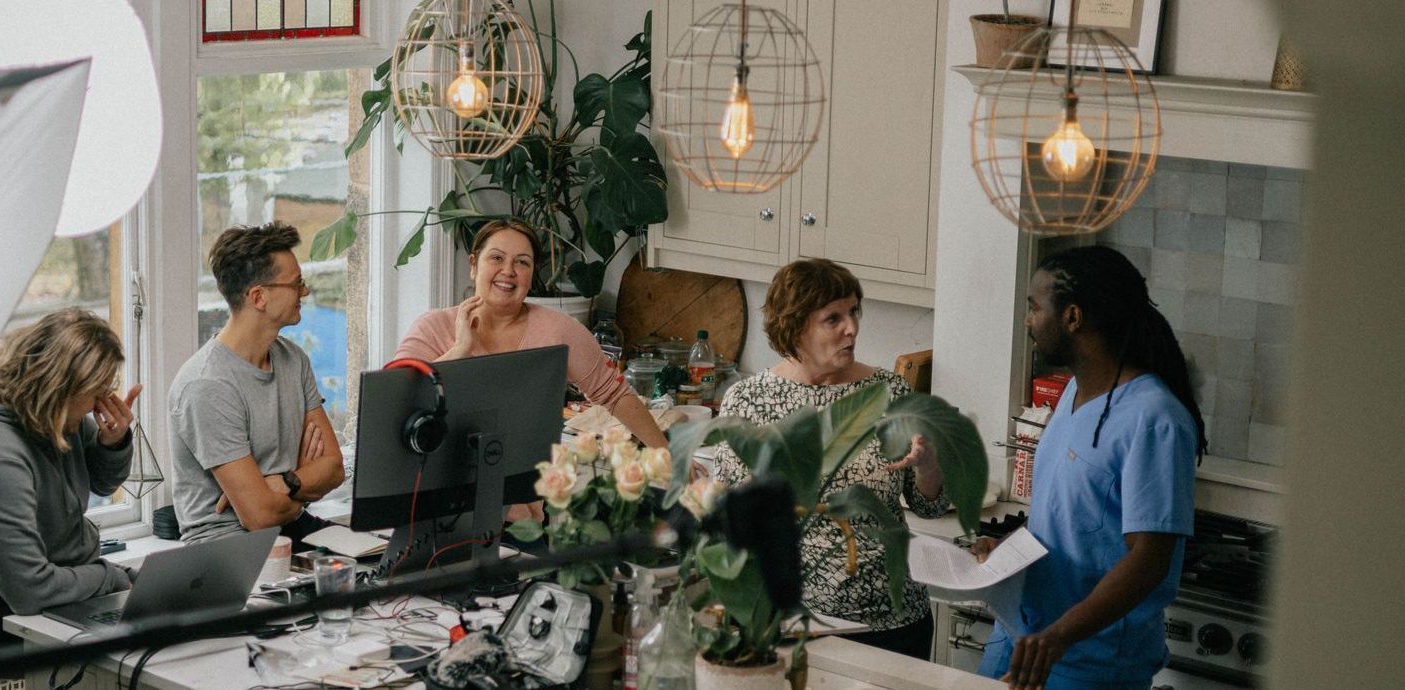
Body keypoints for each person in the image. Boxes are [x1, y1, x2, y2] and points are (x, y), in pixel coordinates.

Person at [975, 246, 1202, 690]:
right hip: (1019, 640)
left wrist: (1059, 636)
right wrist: (1005, 550)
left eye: (1035, 308)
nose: (1029, 321)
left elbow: (1149, 561)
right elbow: (1072, 523)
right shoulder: (1072, 395)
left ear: (1073, 317)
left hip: (1086, 665)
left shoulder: (1154, 419)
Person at [707, 258, 947, 659]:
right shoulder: (747, 401)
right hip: (789, 621)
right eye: (832, 318)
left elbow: (930, 504)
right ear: (795, 325)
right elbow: (727, 518)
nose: (851, 327)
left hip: (892, 621)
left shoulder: (889, 392)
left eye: (853, 311)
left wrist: (929, 465)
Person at [0, 308, 145, 651]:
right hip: (2, 621)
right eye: (95, 391)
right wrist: (111, 577)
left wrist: (114, 442)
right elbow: (31, 592)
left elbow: (102, 484)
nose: (100, 403)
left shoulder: (45, 411)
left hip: (66, 588)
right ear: (58, 386)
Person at [393, 220, 667, 450]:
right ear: (474, 264)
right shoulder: (432, 327)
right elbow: (395, 404)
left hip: (521, 503)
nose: (508, 271)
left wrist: (667, 455)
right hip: (434, 495)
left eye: (522, 262)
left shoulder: (558, 329)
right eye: (496, 258)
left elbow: (613, 394)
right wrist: (460, 350)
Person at [169, 222, 345, 547]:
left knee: (380, 567)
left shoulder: (294, 360)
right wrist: (303, 479)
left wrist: (284, 481)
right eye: (296, 284)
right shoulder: (207, 385)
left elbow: (334, 468)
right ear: (258, 297)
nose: (305, 292)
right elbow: (259, 516)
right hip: (231, 547)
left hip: (293, 526)